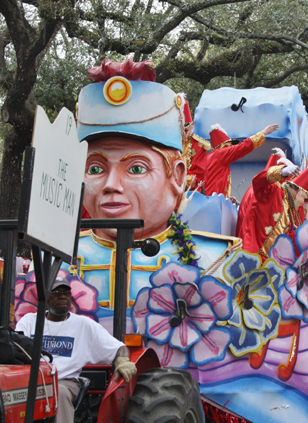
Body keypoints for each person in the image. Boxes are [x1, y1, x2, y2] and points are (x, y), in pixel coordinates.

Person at [75, 57, 238, 312]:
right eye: (95, 168)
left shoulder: (216, 261)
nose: (111, 185)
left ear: (178, 177)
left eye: (137, 168)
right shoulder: (55, 260)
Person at [15, 275, 137, 423]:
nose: (63, 297)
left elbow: (118, 348)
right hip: (32, 382)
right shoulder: (29, 321)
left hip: (65, 381)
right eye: (57, 293)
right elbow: (16, 347)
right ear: (46, 298)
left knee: (60, 391)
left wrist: (122, 360)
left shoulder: (83, 325)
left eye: (66, 293)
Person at [201, 122, 279, 196]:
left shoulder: (212, 157)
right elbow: (242, 147)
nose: (231, 147)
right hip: (213, 201)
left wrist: (227, 198)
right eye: (230, 145)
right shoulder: (220, 154)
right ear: (223, 146)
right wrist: (263, 133)